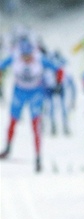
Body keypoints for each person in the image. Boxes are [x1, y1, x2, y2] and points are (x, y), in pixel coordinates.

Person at [0, 37, 64, 172]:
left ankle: (38, 157)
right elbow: (1, 66)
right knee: (13, 120)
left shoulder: (40, 58)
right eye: (24, 56)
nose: (26, 59)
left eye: (28, 56)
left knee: (36, 124)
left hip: (36, 92)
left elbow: (58, 68)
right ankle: (8, 147)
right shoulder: (15, 57)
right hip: (19, 91)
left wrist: (58, 83)